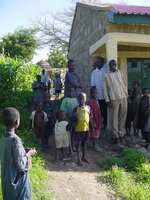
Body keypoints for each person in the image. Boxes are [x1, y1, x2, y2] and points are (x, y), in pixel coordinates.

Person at [1, 107, 36, 200]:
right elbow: (20, 164)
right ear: (17, 122)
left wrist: (23, 150)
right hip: (17, 183)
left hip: (7, 179)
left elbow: (11, 153)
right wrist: (29, 153)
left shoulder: (4, 137)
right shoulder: (15, 140)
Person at [104, 59, 128, 145]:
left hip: (123, 97)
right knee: (114, 118)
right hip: (114, 98)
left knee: (122, 117)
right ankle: (115, 136)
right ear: (109, 66)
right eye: (111, 64)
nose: (113, 66)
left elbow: (125, 84)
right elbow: (105, 88)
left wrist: (126, 95)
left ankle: (121, 134)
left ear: (116, 65)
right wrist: (107, 100)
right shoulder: (106, 75)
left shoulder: (120, 73)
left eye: (114, 64)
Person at [73, 92, 92, 166]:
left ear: (85, 99)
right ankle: (79, 159)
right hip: (78, 130)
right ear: (78, 99)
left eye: (83, 98)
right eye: (80, 98)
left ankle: (84, 156)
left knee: (84, 143)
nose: (81, 100)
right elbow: (73, 119)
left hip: (86, 129)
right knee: (78, 144)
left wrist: (92, 127)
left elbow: (90, 119)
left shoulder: (88, 108)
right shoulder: (76, 108)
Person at [61, 87, 78, 154]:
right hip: (68, 120)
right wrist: (67, 116)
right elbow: (63, 110)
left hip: (74, 120)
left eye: (73, 91)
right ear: (68, 92)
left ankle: (72, 146)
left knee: (73, 134)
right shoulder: (65, 100)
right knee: (68, 134)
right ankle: (69, 148)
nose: (71, 93)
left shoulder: (75, 100)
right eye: (70, 91)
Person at [91, 57, 107, 128]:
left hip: (106, 95)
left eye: (100, 62)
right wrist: (94, 96)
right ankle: (99, 124)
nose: (99, 63)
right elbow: (93, 86)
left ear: (103, 63)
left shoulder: (106, 71)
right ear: (96, 63)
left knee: (106, 110)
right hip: (99, 96)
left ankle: (106, 123)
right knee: (99, 110)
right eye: (97, 62)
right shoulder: (94, 73)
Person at [88, 87, 102, 152]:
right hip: (93, 120)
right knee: (93, 133)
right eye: (94, 93)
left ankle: (93, 144)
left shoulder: (96, 100)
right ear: (91, 93)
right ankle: (94, 145)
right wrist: (91, 122)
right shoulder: (90, 102)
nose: (95, 94)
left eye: (96, 93)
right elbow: (90, 113)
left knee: (96, 132)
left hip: (97, 119)